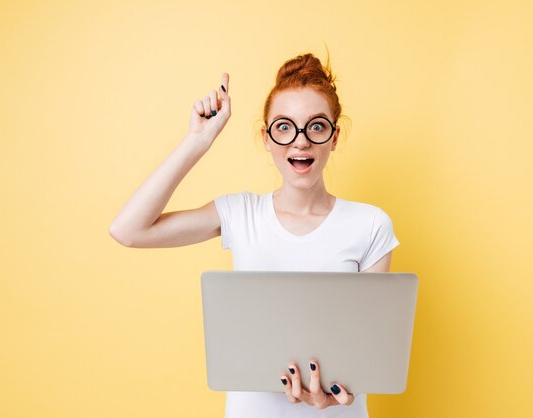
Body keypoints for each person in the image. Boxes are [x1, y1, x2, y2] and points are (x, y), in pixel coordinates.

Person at [109, 53, 400, 418]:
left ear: (334, 136)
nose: (300, 142)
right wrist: (198, 140)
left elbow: (367, 352)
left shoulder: (370, 225)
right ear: (266, 137)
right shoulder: (239, 213)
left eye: (316, 126)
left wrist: (342, 392)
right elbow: (128, 230)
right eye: (283, 127)